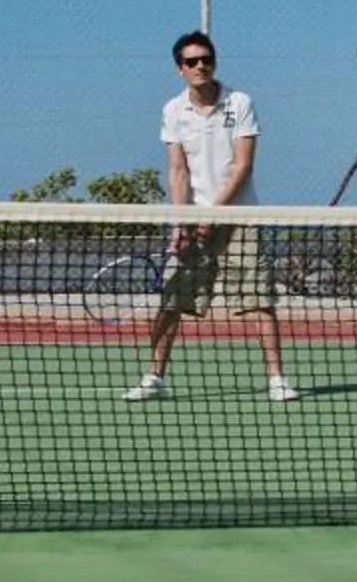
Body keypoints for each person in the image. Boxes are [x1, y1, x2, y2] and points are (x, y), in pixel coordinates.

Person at [122, 30, 294, 403]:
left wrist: (214, 214)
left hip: (240, 219)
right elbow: (178, 171)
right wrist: (181, 222)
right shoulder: (172, 110)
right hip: (193, 220)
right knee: (171, 301)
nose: (201, 66)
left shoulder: (240, 102)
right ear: (179, 69)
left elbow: (243, 167)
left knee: (259, 300)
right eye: (192, 61)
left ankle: (277, 379)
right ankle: (154, 378)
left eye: (207, 59)